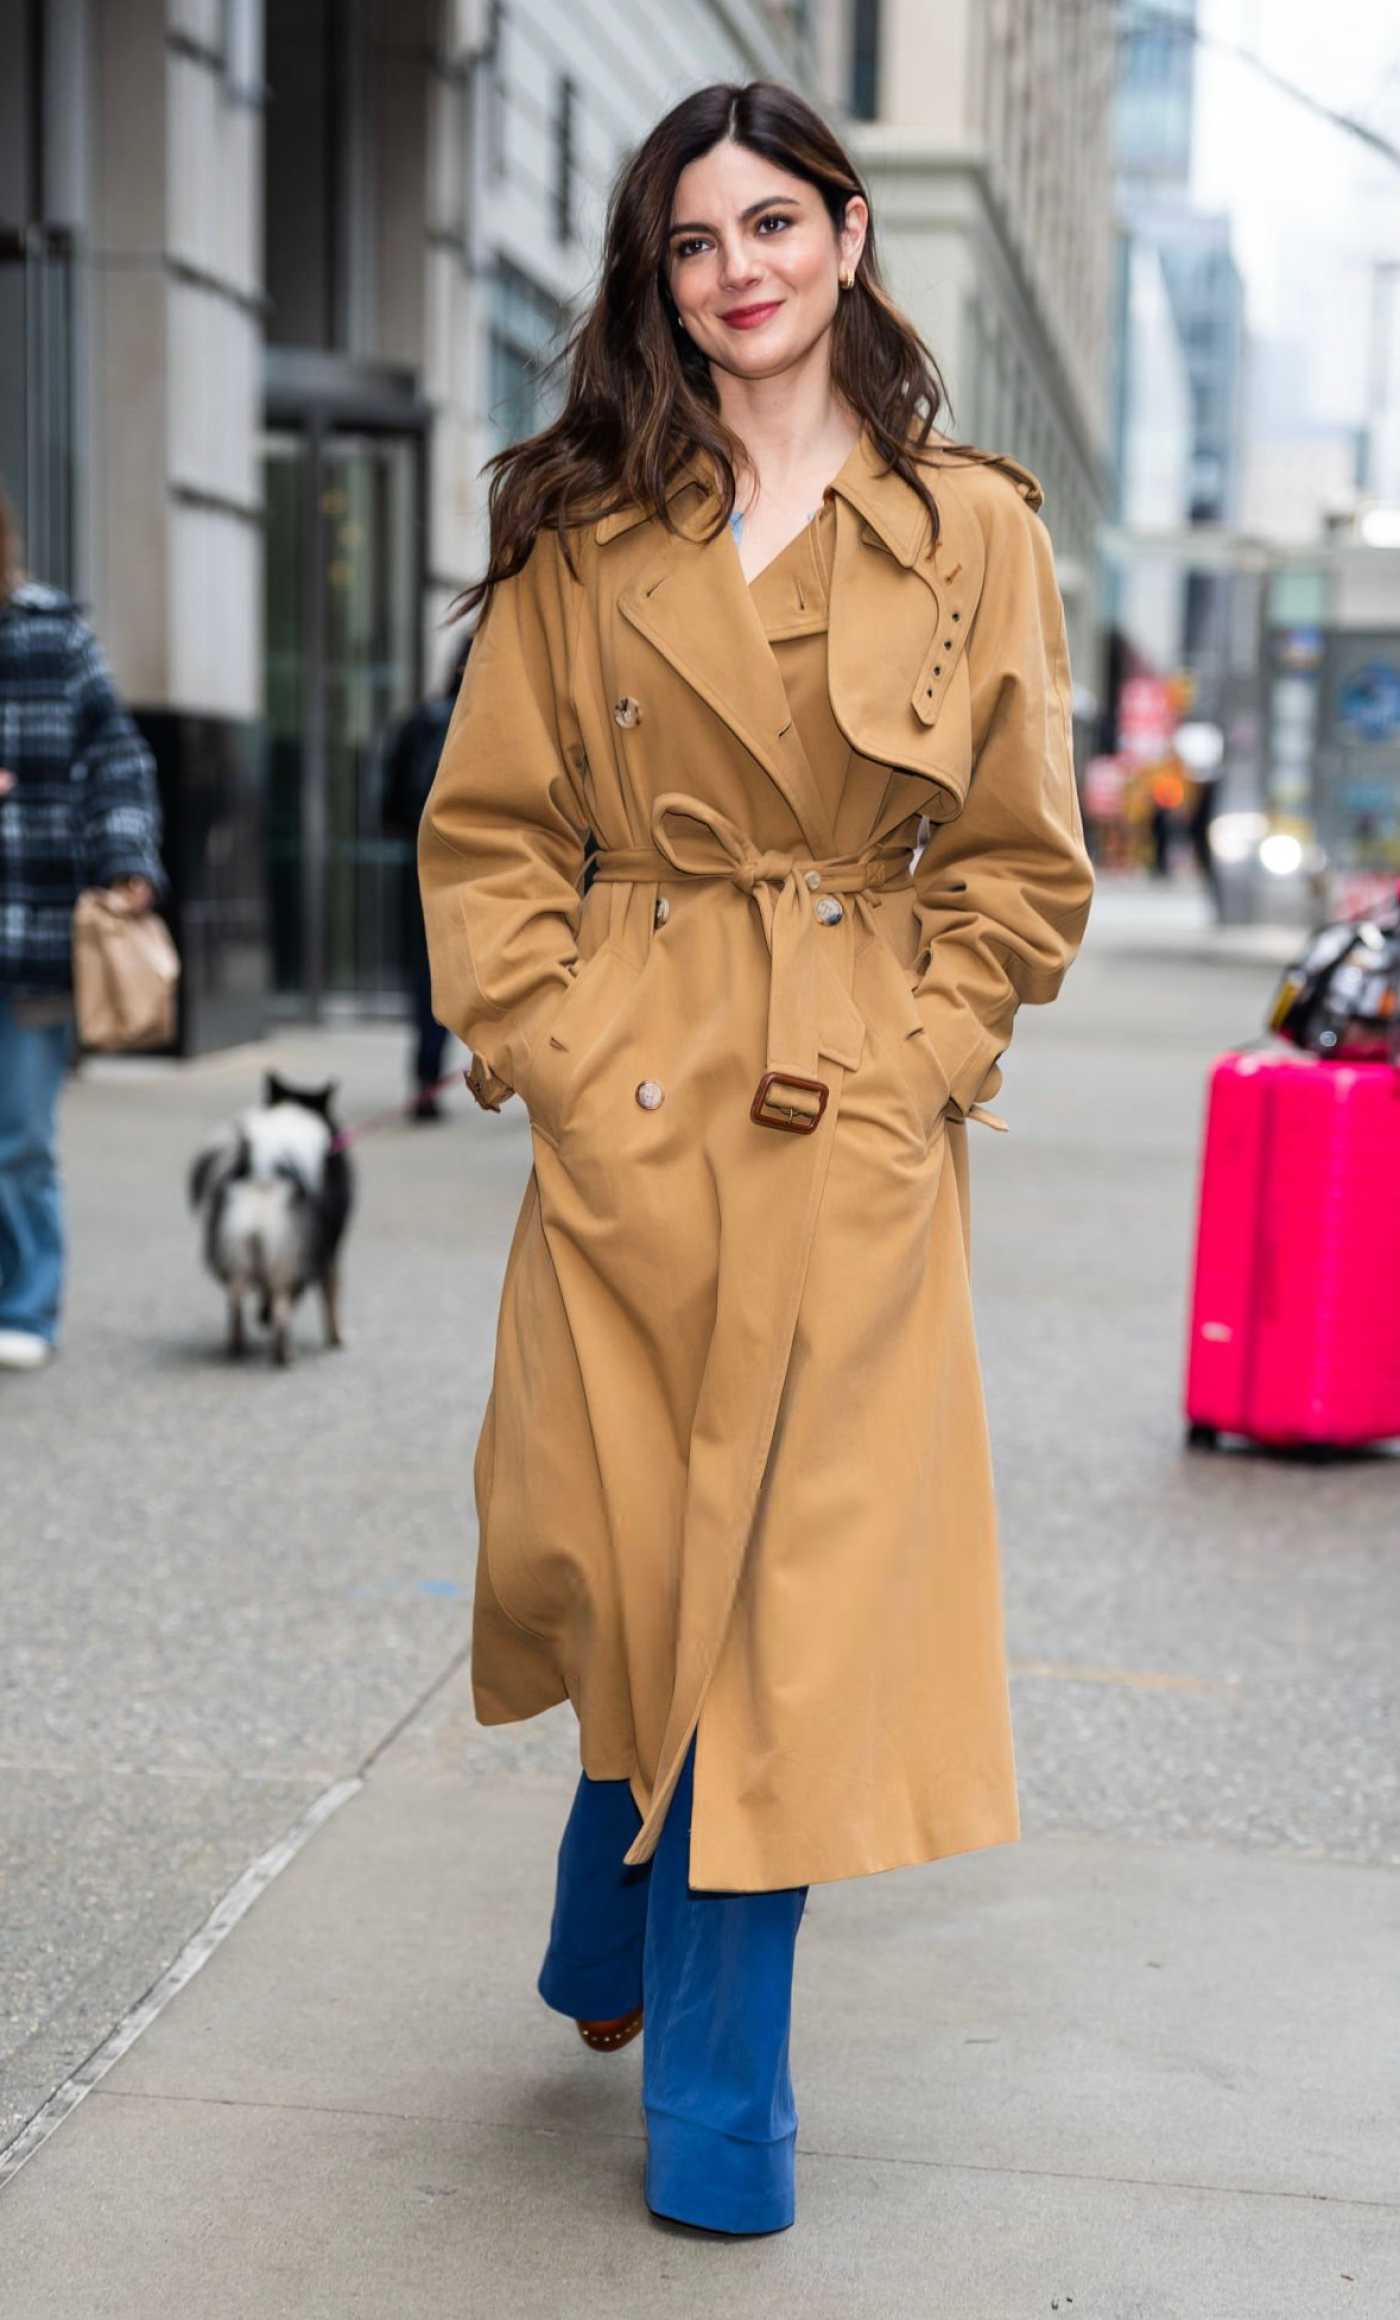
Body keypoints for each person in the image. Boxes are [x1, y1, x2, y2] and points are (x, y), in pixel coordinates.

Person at [419, 81, 1094, 2235]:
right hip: (633, 1100)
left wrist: (923, 1054)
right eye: (698, 238)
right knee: (614, 1550)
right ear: (665, 275)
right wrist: (544, 1035)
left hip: (853, 1118)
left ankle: (722, 2096)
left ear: (852, 234)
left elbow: (1017, 861)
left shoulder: (973, 529)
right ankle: (608, 1859)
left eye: (774, 222)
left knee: (788, 1609)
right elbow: (494, 830)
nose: (740, 268)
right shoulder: (580, 526)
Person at [0, 488, 165, 1371]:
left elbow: (118, 758)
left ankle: (26, 1304)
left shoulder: (53, 637)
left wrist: (127, 857)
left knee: (20, 1135)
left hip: (32, 934)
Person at [382, 639, 471, 1118]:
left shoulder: (421, 723)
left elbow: (389, 804)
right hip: (483, 870)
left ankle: (426, 1074)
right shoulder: (499, 727)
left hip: (422, 869)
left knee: (428, 976)